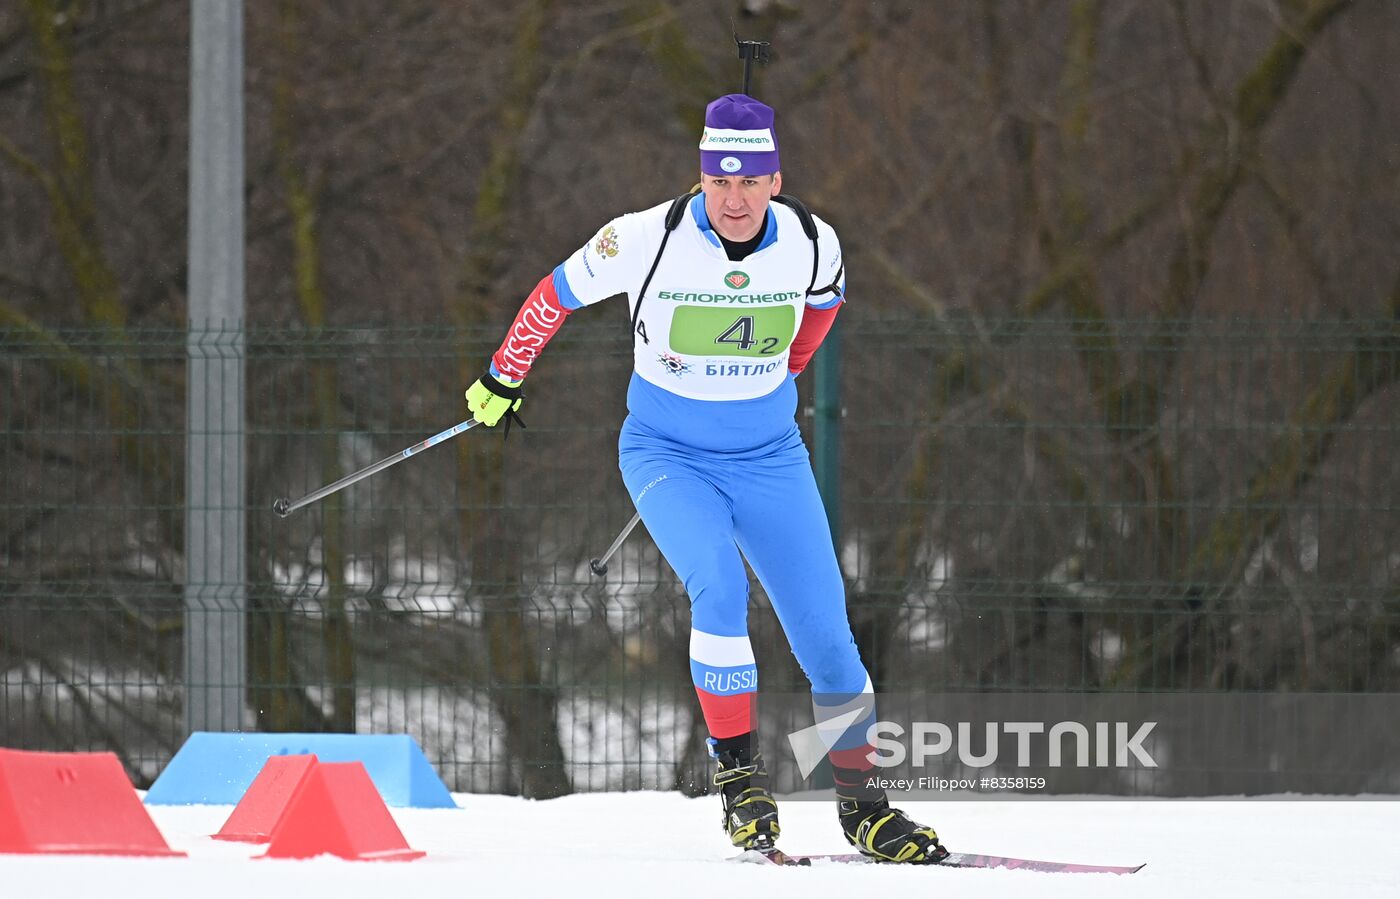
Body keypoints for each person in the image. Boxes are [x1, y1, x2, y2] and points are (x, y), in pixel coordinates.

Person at [465, 93, 947, 864]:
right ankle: (742, 781)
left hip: (770, 459)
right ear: (699, 176)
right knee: (718, 588)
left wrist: (789, 363)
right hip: (667, 454)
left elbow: (825, 305)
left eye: (750, 182)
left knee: (828, 637)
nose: (733, 199)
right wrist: (503, 376)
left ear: (776, 181)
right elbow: (554, 294)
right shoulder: (644, 238)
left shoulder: (813, 242)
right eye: (718, 182)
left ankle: (865, 808)